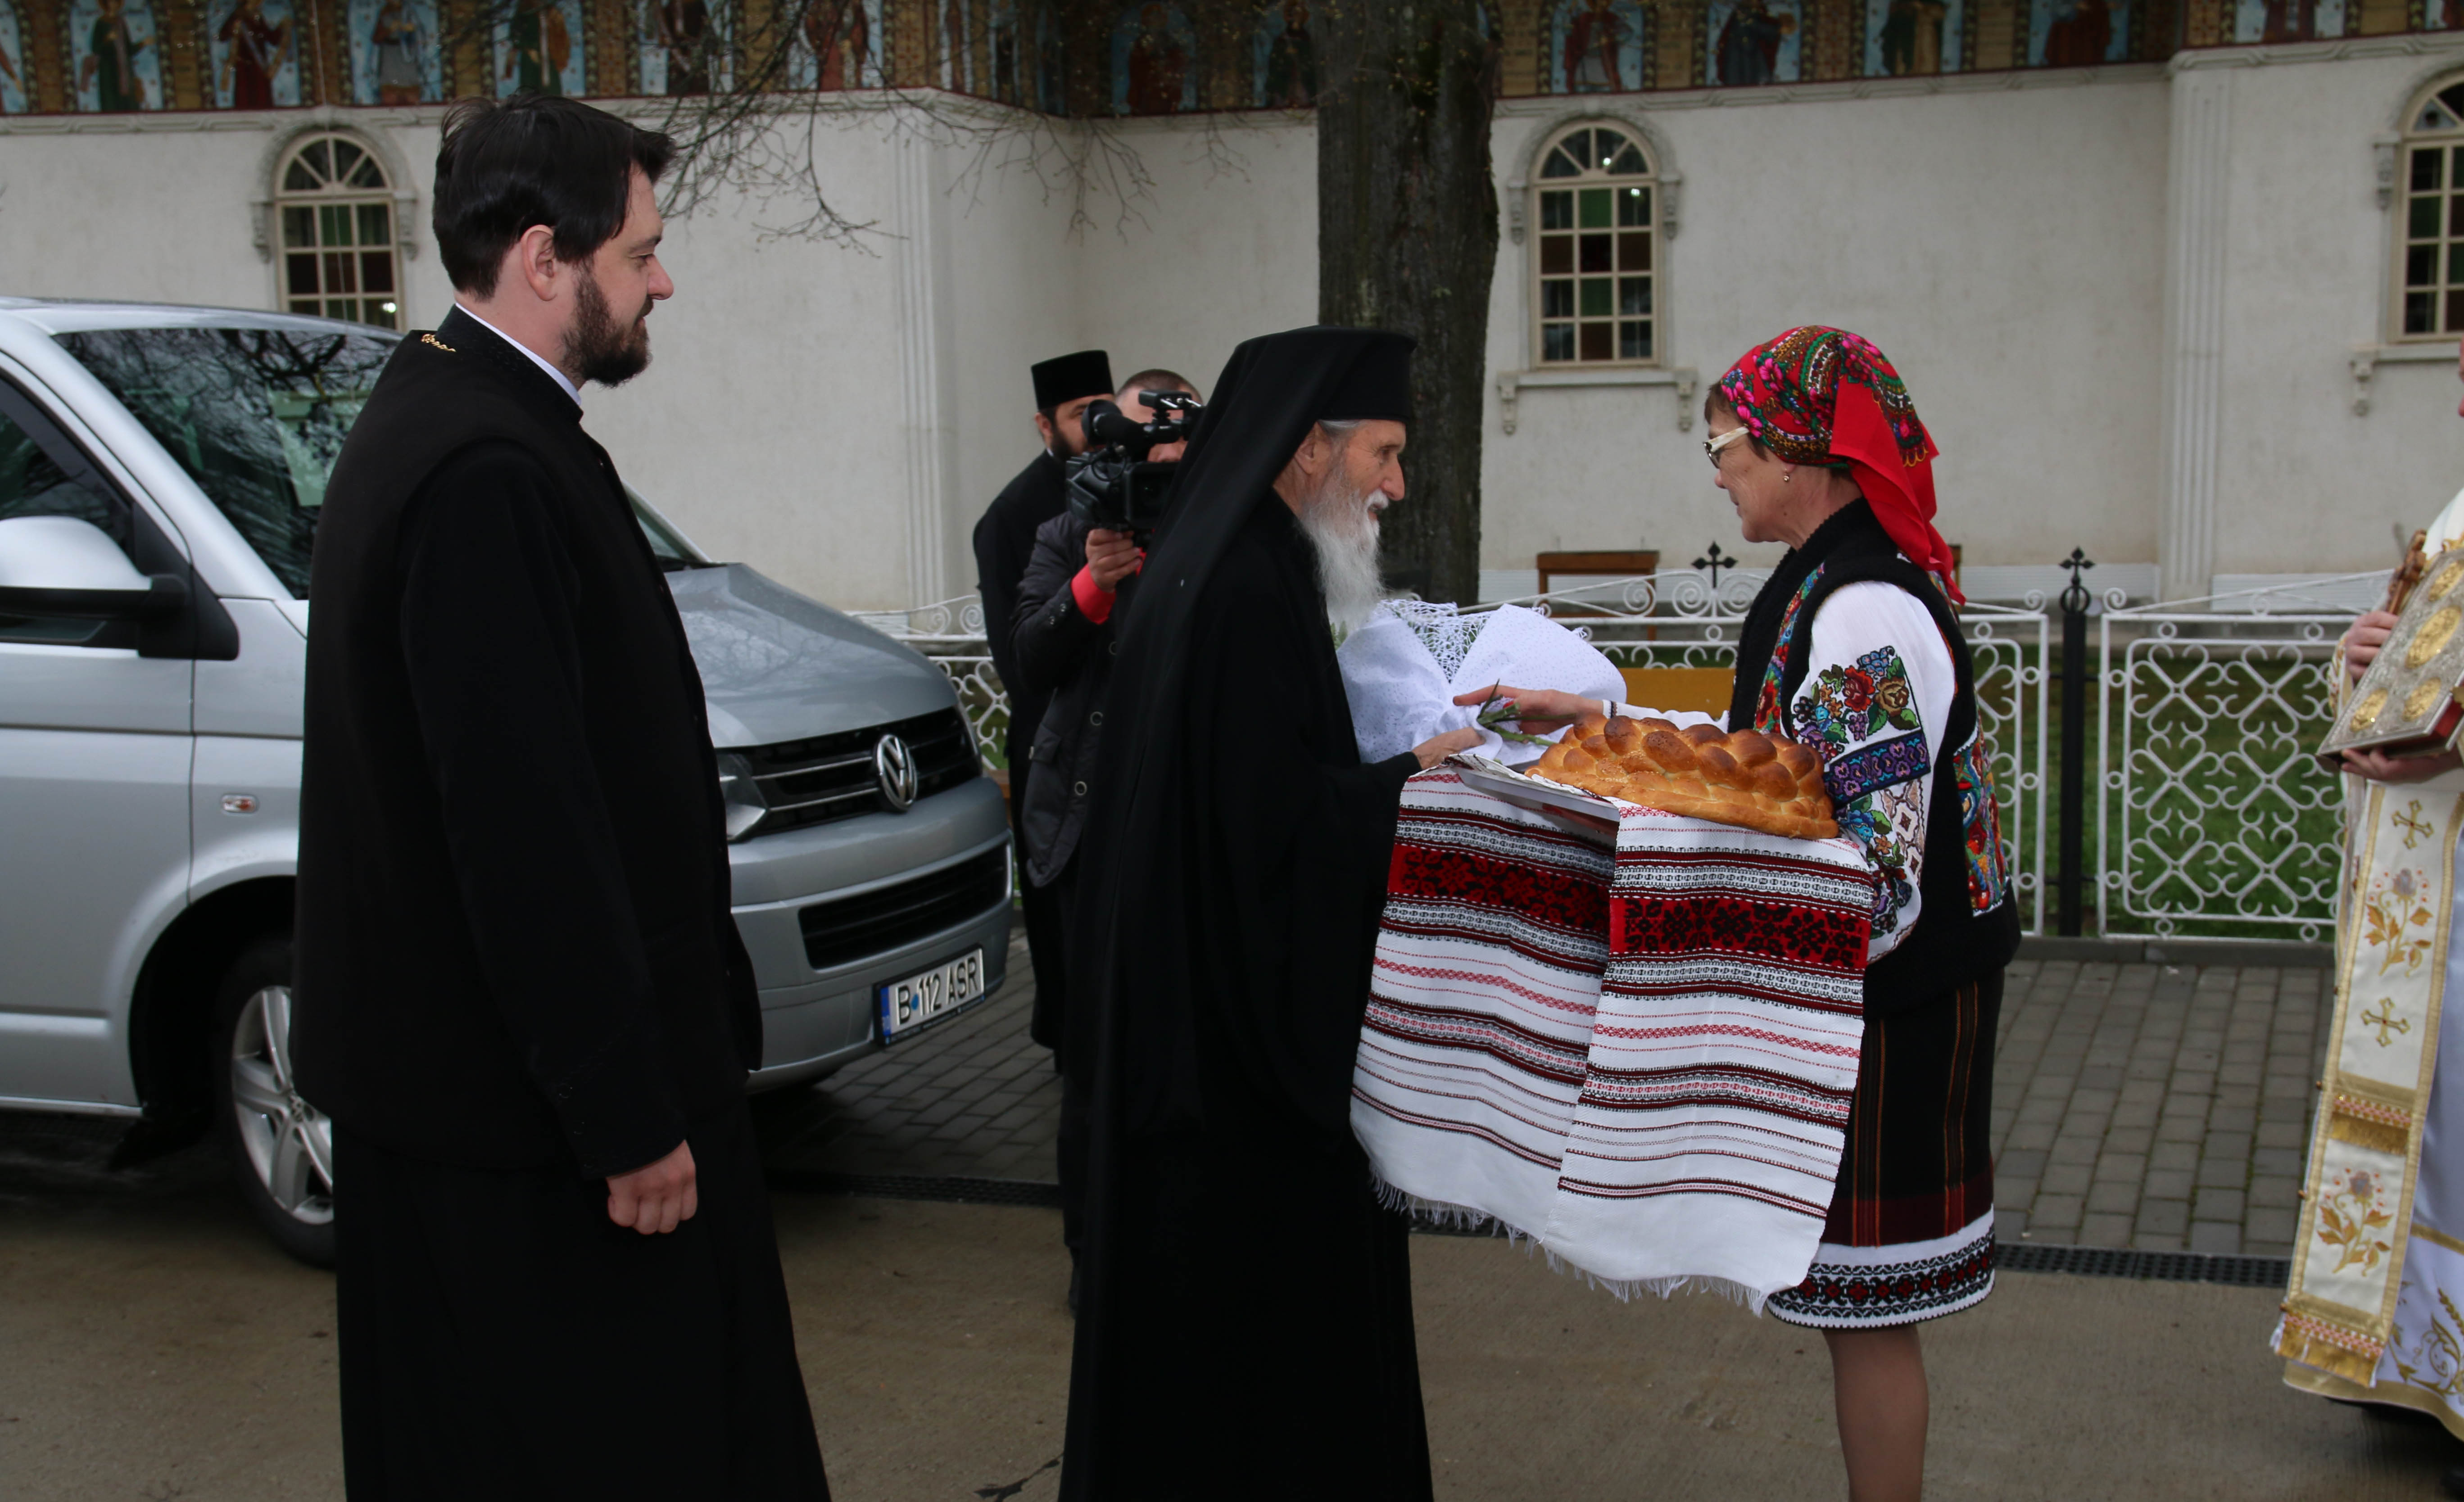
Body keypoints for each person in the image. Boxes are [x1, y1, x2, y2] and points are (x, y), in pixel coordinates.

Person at [291, 94, 830, 1501]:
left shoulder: (457, 413)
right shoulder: (480, 469)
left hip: (506, 1123)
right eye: (641, 252)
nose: (664, 280)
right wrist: (626, 1113)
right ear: (547, 258)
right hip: (534, 1151)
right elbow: (521, 832)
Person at [1471, 326, 2018, 1502]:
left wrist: (1614, 767)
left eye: (1723, 444)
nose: (1715, 468)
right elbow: (1789, 767)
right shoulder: (1832, 575)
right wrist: (1594, 728)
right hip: (1879, 982)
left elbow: (1853, 833)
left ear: (1798, 451)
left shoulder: (1869, 602)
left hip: (1896, 995)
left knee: (1874, 1303)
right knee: (1852, 1301)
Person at [1060, 326, 1480, 1502]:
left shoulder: (1225, 559)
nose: (1398, 486)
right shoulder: (1244, 588)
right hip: (1234, 1110)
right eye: (1385, 455)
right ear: (1309, 446)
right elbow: (1273, 852)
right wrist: (1418, 786)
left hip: (1191, 1072)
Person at [2286, 342, 2464, 1501]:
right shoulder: (2458, 510)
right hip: (2425, 887)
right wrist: (2367, 659)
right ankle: (2423, 1370)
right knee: (2434, 1135)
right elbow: (2421, 662)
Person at [1008, 367, 1198, 1305]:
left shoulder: (1218, 540)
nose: (1153, 465)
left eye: (1171, 447)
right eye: (1132, 449)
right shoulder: (1065, 534)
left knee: (1175, 1053)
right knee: (1091, 1066)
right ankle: (1094, 1259)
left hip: (1178, 833)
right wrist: (1095, 582)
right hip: (1083, 833)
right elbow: (1029, 661)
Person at [974, 348, 1113, 1062]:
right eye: (1076, 415)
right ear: (1043, 426)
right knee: (1062, 930)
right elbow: (1019, 660)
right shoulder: (1014, 516)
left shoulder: (1137, 489)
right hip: (1050, 748)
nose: (1095, 425)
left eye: (1103, 407)